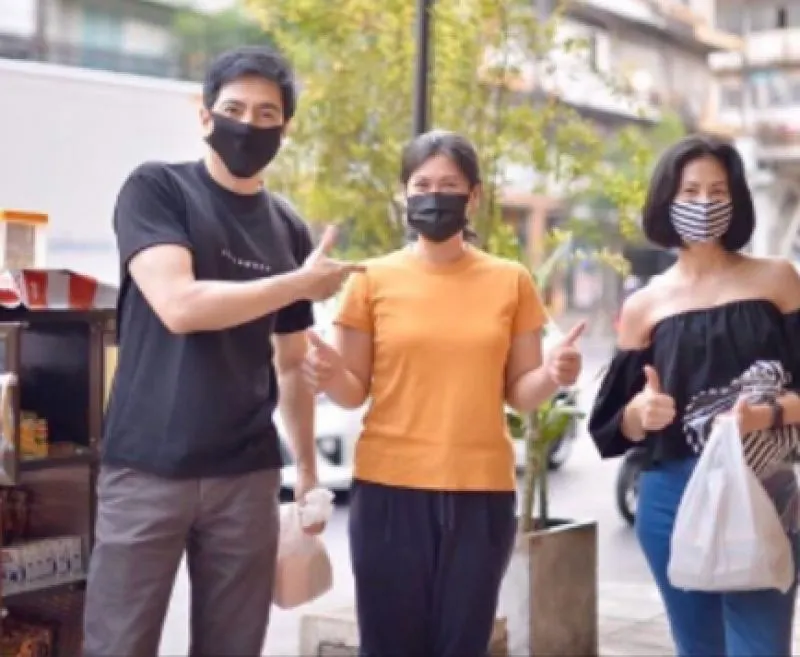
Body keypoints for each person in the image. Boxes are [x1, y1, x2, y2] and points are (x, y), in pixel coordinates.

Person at [83, 46, 362, 657]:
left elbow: (292, 362)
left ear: (285, 129)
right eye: (234, 109)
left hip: (248, 474)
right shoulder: (158, 188)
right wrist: (297, 283)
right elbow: (179, 305)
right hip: (147, 466)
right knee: (117, 644)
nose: (248, 124)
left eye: (267, 114)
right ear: (204, 114)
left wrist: (308, 473)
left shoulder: (287, 227)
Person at [302, 129, 584, 657]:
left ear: (473, 196)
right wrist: (327, 372)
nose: (435, 196)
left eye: (449, 185)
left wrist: (553, 374)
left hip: (481, 495)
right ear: (404, 194)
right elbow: (352, 391)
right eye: (422, 184)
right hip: (388, 491)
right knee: (388, 647)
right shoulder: (369, 280)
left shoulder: (510, 280)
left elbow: (521, 393)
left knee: (462, 645)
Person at [589, 134, 800, 657]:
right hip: (670, 493)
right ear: (667, 199)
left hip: (764, 486)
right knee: (697, 648)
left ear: (736, 199)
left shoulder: (777, 280)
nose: (704, 203)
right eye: (690, 192)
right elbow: (614, 425)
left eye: (716, 191)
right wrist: (640, 412)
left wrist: (765, 415)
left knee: (761, 647)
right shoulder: (645, 305)